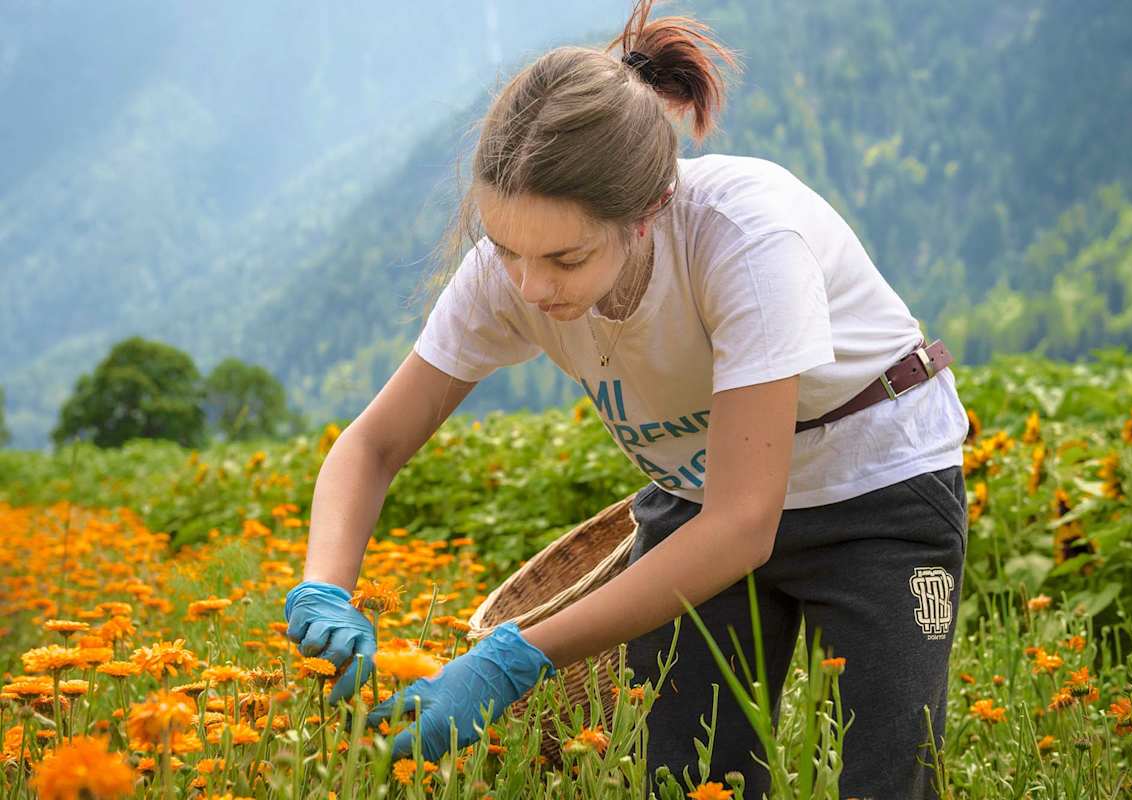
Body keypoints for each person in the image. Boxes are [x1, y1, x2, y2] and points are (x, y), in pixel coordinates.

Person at [283, 0, 970, 797]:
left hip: (874, 493)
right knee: (689, 779)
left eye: (565, 259)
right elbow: (372, 447)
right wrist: (325, 585)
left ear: (645, 215)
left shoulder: (745, 241)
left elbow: (744, 526)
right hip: (698, 495)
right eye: (506, 249)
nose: (531, 288)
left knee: (890, 772)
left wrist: (516, 654)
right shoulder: (512, 275)